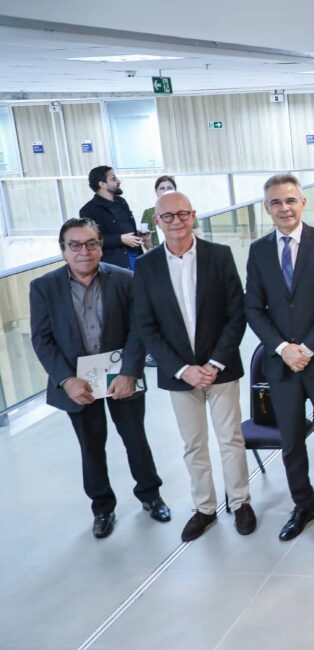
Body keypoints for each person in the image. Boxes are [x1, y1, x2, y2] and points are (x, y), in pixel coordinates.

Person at [29, 217, 168, 539]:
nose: (84, 251)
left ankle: (151, 496)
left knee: (136, 439)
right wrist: (66, 380)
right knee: (91, 446)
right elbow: (42, 339)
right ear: (63, 250)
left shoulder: (125, 279)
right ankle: (102, 508)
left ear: (101, 247)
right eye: (75, 245)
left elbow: (139, 329)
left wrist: (129, 371)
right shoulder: (44, 287)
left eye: (91, 243)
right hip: (78, 383)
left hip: (122, 377)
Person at [134, 191, 254, 542]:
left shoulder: (220, 256)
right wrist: (182, 369)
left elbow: (236, 313)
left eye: (183, 214)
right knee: (193, 444)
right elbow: (146, 326)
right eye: (168, 216)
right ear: (157, 222)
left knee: (230, 439)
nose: (176, 221)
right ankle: (204, 508)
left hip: (221, 367)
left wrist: (214, 362)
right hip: (179, 373)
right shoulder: (147, 266)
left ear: (194, 215)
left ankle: (241, 502)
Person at [244, 174, 314, 542]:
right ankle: (302, 505)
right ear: (267, 208)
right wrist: (283, 348)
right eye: (276, 202)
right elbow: (253, 307)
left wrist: (306, 349)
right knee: (291, 440)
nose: (285, 208)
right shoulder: (259, 251)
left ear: (303, 203)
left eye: (291, 200)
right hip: (282, 365)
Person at [79, 166, 144, 269]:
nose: (118, 181)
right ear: (102, 184)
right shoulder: (88, 210)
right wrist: (120, 239)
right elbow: (92, 241)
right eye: (113, 178)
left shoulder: (121, 202)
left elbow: (124, 228)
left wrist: (138, 234)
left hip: (136, 255)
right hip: (115, 264)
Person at [140, 175, 176, 249]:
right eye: (162, 188)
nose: (166, 191)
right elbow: (146, 242)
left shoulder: (185, 210)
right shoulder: (149, 213)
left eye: (169, 188)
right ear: (156, 192)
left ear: (175, 191)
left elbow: (197, 234)